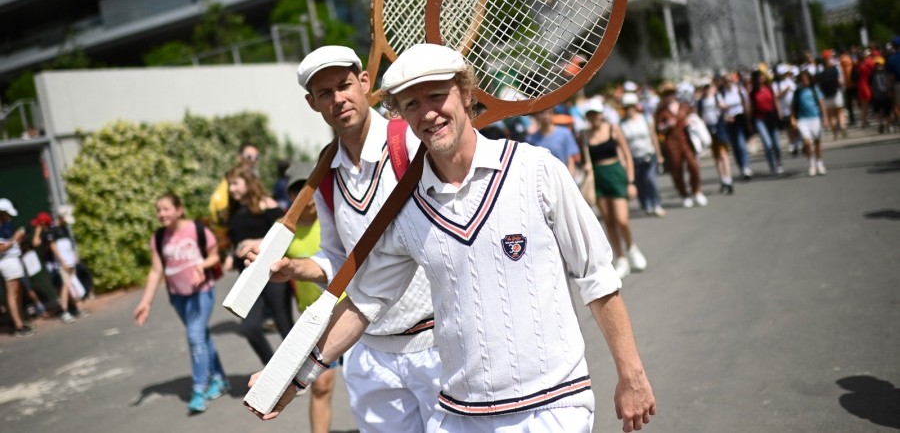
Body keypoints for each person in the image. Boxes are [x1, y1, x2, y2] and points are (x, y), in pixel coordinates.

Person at [249, 43, 656, 433]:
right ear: (401, 114)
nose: (428, 113)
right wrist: (293, 373)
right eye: (411, 104)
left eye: (437, 95)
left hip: (552, 405)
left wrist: (631, 374)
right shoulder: (406, 211)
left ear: (465, 93)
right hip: (461, 413)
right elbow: (362, 302)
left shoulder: (536, 170)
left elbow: (597, 278)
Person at [248, 45, 442, 433]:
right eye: (325, 93)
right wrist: (295, 268)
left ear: (364, 83)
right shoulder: (327, 176)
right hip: (369, 352)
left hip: (438, 347)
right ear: (312, 102)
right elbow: (340, 259)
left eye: (344, 85)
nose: (338, 99)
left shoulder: (411, 143)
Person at [134, 192, 228, 414]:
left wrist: (202, 266)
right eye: (158, 210)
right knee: (201, 336)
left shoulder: (196, 230)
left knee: (194, 337)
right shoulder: (158, 238)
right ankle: (219, 378)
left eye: (166, 208)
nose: (161, 214)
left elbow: (215, 256)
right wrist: (146, 302)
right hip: (177, 296)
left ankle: (198, 390)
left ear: (179, 209)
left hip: (201, 292)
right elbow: (156, 270)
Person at [282, 161, 339, 433]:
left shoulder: (336, 214)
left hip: (355, 311)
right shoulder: (285, 230)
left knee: (374, 379)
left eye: (311, 186)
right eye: (298, 189)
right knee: (321, 384)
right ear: (291, 195)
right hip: (315, 318)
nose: (306, 194)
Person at [225, 163, 295, 365]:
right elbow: (236, 238)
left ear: (248, 183)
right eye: (230, 185)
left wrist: (256, 243)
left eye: (235, 183)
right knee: (249, 327)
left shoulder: (267, 204)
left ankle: (296, 373)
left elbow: (284, 236)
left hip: (271, 274)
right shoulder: (235, 210)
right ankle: (273, 370)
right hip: (247, 278)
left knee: (284, 325)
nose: (232, 189)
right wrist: (231, 256)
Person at [584, 99, 648, 279]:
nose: (594, 117)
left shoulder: (613, 128)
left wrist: (631, 180)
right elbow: (585, 159)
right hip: (599, 177)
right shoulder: (584, 135)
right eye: (590, 114)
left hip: (616, 174)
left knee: (622, 219)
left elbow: (627, 154)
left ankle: (632, 248)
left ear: (601, 114)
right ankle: (620, 258)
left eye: (596, 113)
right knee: (609, 222)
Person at [656, 83, 707, 208]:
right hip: (672, 143)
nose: (670, 96)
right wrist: (667, 125)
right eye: (667, 94)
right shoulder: (661, 111)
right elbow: (658, 128)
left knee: (694, 166)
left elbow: (694, 117)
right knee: (676, 170)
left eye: (671, 93)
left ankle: (696, 190)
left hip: (686, 140)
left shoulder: (683, 106)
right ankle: (684, 194)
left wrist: (690, 121)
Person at [619, 92, 665, 216]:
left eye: (630, 106)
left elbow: (653, 137)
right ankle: (646, 204)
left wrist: (659, 154)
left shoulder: (645, 119)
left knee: (650, 179)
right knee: (640, 183)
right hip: (634, 157)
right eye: (626, 107)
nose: (629, 110)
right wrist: (623, 159)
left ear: (635, 106)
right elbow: (621, 144)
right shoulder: (622, 124)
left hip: (649, 154)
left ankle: (656, 203)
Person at [0, 198, 36, 337]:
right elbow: (1, 248)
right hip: (7, 262)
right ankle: (18, 326)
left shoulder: (6, 224)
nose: (9, 216)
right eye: (7, 213)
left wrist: (18, 239)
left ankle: (20, 321)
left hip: (13, 260)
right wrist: (15, 237)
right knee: (12, 294)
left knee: (18, 293)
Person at [696, 78, 735, 194]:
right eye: (705, 87)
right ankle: (723, 179)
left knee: (723, 154)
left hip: (719, 127)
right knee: (717, 156)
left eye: (708, 87)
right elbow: (699, 116)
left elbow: (726, 108)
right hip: (708, 128)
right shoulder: (700, 102)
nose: (707, 89)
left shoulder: (717, 97)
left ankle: (728, 179)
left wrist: (723, 108)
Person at [792, 70, 828, 176]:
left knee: (817, 143)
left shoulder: (814, 90)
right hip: (803, 120)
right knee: (807, 142)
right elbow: (793, 107)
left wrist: (825, 118)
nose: (805, 82)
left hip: (815, 118)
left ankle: (820, 163)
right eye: (802, 80)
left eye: (806, 79)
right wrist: (793, 118)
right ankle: (812, 164)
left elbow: (822, 104)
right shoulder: (797, 92)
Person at [717, 72, 753, 180]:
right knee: (734, 145)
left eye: (730, 80)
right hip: (728, 120)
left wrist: (748, 117)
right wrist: (725, 112)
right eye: (726, 81)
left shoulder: (739, 90)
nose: (729, 83)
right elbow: (720, 106)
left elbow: (746, 103)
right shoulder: (721, 93)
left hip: (739, 118)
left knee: (741, 142)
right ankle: (741, 166)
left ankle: (746, 166)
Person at [526, 107, 581, 177]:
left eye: (549, 112)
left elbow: (570, 160)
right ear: (537, 115)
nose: (546, 115)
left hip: (562, 177)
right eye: (542, 113)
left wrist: (569, 180)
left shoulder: (564, 133)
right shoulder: (531, 139)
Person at [747, 69, 783, 176]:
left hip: (771, 117)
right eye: (759, 77)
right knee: (768, 144)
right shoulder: (753, 93)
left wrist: (779, 112)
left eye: (762, 77)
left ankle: (779, 162)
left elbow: (775, 100)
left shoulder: (769, 88)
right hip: (760, 118)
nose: (761, 79)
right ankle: (772, 165)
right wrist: (749, 123)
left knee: (776, 144)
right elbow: (751, 109)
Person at [815, 50, 847, 140]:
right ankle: (842, 127)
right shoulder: (834, 68)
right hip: (836, 93)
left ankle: (835, 134)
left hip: (826, 95)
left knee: (832, 115)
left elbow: (818, 83)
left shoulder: (820, 69)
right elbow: (839, 81)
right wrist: (842, 88)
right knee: (840, 112)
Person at [773, 64, 800, 156]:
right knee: (789, 128)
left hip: (794, 108)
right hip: (784, 109)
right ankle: (792, 143)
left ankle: (797, 141)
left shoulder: (790, 81)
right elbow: (776, 96)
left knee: (795, 126)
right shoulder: (776, 84)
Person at [868, 56, 893, 134]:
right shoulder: (886, 72)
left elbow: (870, 84)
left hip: (877, 95)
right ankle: (888, 125)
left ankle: (881, 123)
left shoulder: (872, 73)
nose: (878, 66)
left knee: (879, 111)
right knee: (887, 111)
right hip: (885, 94)